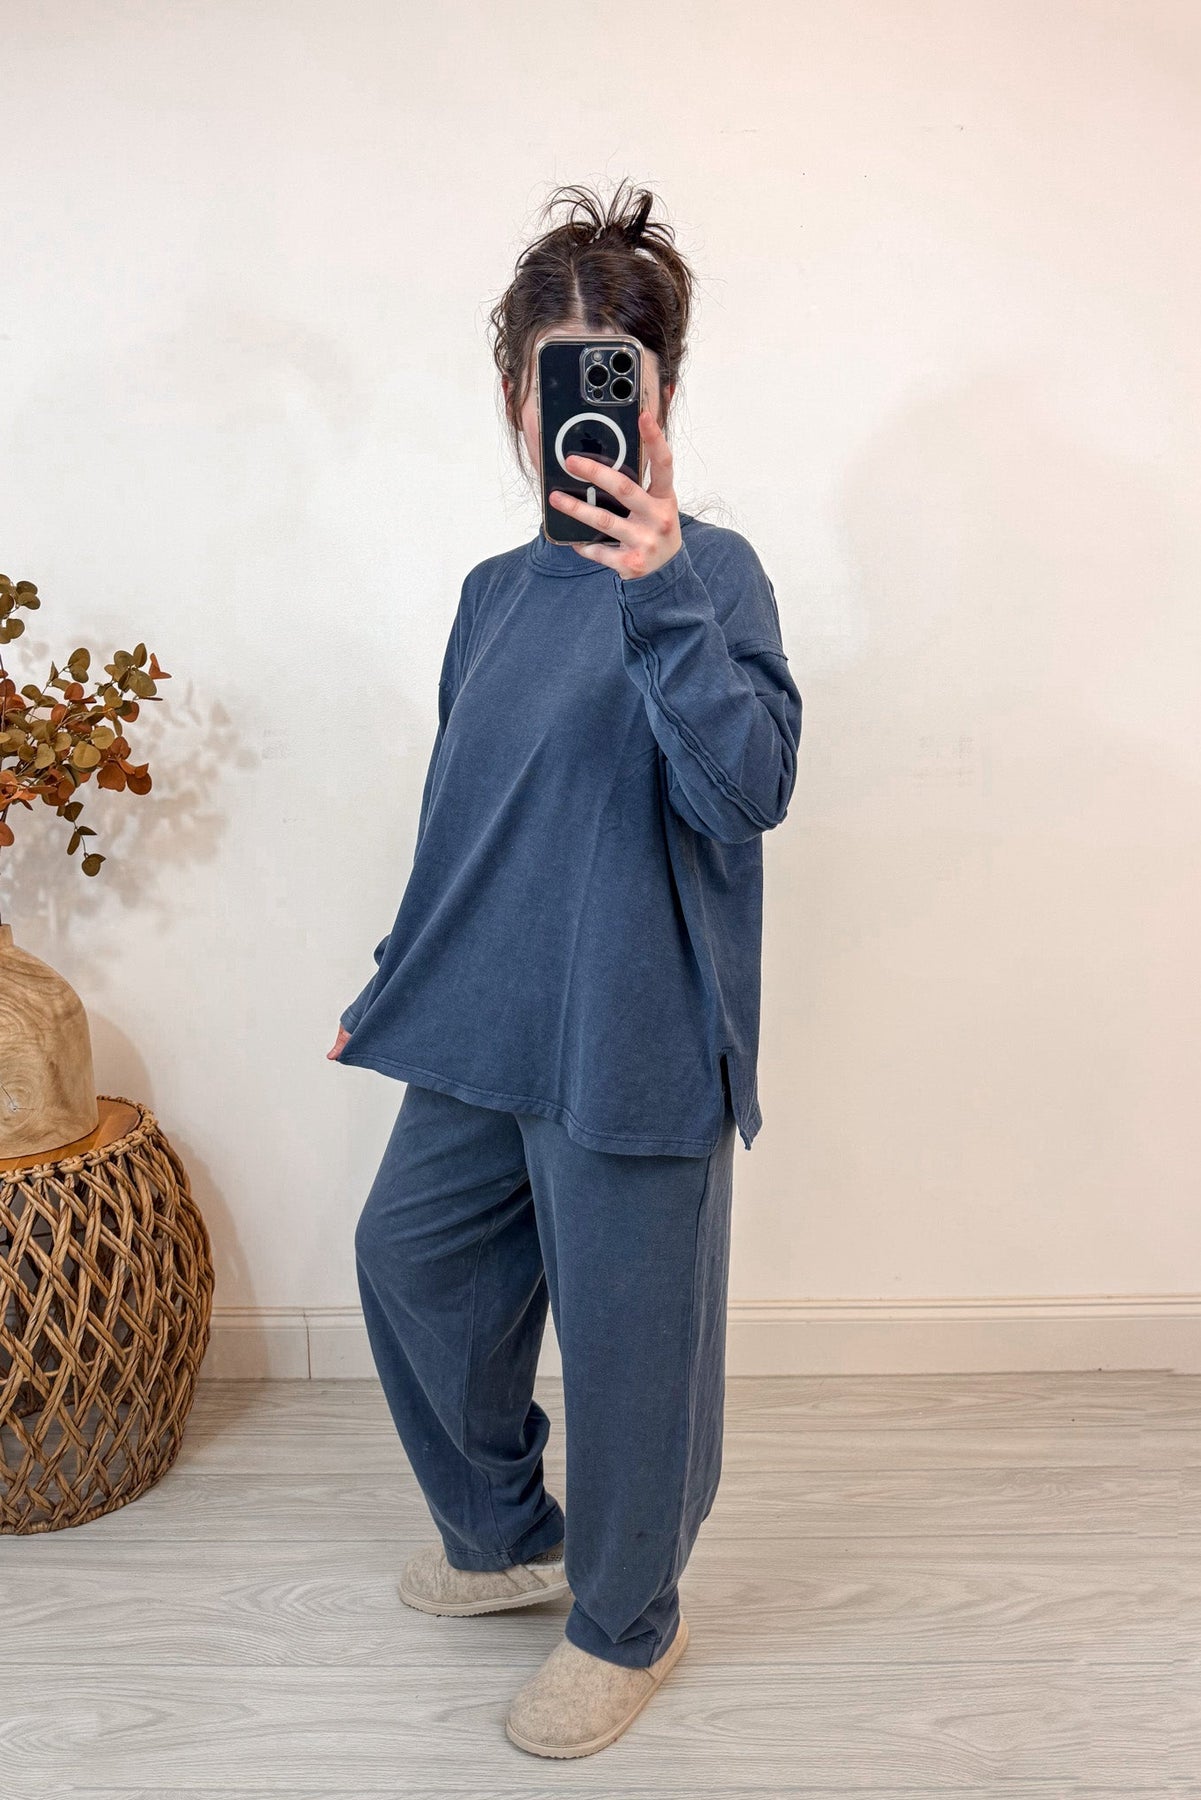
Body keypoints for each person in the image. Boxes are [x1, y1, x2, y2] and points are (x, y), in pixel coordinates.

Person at [329, 179, 802, 1760]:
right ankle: (504, 1540)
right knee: (408, 1258)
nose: (583, 412)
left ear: (660, 400)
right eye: (557, 379)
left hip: (636, 1023)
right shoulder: (488, 595)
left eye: (618, 378)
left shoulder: (712, 574)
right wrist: (394, 974)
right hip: (484, 1012)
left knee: (628, 1351)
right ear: (512, 398)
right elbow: (465, 808)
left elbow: (744, 792)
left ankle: (625, 1624)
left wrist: (656, 591)